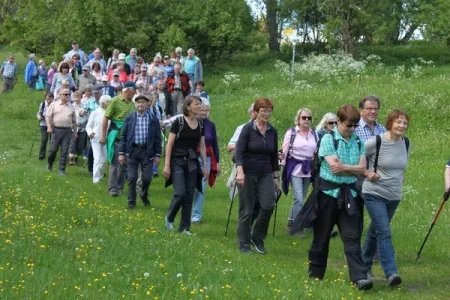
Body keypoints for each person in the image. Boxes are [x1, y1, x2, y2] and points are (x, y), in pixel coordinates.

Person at [300, 104, 372, 290]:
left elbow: (362, 169)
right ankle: (315, 275)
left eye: (355, 126)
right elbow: (334, 167)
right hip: (327, 195)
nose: (352, 129)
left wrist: (348, 168)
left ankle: (359, 278)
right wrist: (354, 169)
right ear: (339, 122)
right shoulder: (328, 140)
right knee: (321, 236)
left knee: (352, 236)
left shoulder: (358, 141)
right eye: (348, 125)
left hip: (350, 195)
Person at [362, 109, 411, 287]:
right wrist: (366, 172)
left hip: (394, 195)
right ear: (390, 123)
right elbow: (358, 154)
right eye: (398, 122)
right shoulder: (376, 141)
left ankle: (363, 265)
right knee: (384, 231)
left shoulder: (406, 143)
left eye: (404, 123)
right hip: (374, 192)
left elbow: (402, 166)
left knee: (375, 231)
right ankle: (391, 272)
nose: (401, 126)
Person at [235, 98, 279, 254]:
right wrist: (240, 171)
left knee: (268, 205)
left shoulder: (272, 131)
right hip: (247, 172)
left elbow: (274, 155)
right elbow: (238, 152)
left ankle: (257, 237)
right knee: (246, 209)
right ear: (256, 112)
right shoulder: (247, 129)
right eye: (263, 111)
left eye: (269, 111)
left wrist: (275, 177)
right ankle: (243, 244)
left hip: (266, 172)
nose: (266, 114)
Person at [163, 95, 207, 235]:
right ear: (188, 106)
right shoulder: (179, 122)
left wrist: (205, 165)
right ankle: (169, 218)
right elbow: (169, 144)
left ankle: (185, 228)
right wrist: (167, 165)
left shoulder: (201, 123)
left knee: (189, 195)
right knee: (180, 193)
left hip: (193, 162)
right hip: (178, 161)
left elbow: (202, 145)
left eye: (200, 104)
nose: (199, 106)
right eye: (196, 104)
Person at [118, 95, 162, 209]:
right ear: (135, 104)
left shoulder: (153, 119)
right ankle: (131, 202)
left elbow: (158, 138)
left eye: (143, 102)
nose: (140, 104)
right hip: (133, 151)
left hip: (147, 151)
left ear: (148, 104)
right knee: (132, 177)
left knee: (147, 178)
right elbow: (124, 136)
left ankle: (143, 194)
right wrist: (121, 153)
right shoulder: (130, 118)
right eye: (138, 102)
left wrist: (157, 155)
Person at [280, 108, 317, 237]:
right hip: (295, 168)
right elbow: (284, 151)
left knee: (301, 198)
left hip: (308, 169)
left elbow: (315, 152)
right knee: (299, 199)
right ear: (298, 119)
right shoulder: (292, 133)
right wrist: (280, 167)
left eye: (309, 118)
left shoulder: (314, 134)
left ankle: (291, 221)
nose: (306, 120)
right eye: (304, 118)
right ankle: (297, 226)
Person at [101, 81, 136, 196]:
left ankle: (120, 186)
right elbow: (106, 118)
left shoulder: (132, 104)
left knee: (124, 163)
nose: (135, 92)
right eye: (134, 90)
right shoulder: (115, 101)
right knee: (115, 162)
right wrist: (103, 135)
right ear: (127, 90)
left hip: (128, 137)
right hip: (116, 135)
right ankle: (112, 188)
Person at [192, 102, 220, 223]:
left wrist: (217, 162)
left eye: (206, 110)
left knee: (201, 188)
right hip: (192, 157)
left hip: (207, 158)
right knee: (191, 187)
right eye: (202, 110)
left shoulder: (211, 125)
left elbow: (214, 144)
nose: (204, 112)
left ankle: (196, 216)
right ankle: (186, 212)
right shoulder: (191, 123)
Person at [45, 88, 77, 176]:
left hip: (67, 131)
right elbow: (48, 116)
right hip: (56, 130)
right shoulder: (54, 104)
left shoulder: (71, 106)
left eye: (69, 94)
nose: (67, 96)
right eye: (65, 94)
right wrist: (48, 127)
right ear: (60, 95)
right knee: (53, 149)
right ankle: (50, 164)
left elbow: (74, 121)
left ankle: (61, 170)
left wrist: (75, 132)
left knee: (64, 151)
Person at [86, 95, 112, 184]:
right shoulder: (95, 113)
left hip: (105, 140)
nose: (110, 104)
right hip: (95, 139)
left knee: (104, 160)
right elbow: (88, 126)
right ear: (103, 103)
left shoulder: (110, 114)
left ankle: (100, 176)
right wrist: (90, 132)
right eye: (109, 102)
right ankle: (95, 180)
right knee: (97, 159)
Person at [68, 92, 88, 165]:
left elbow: (86, 116)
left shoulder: (84, 106)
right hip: (73, 128)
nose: (77, 98)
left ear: (81, 97)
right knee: (73, 143)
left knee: (80, 144)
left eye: (78, 97)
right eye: (75, 97)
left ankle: (76, 157)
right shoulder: (71, 106)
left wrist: (84, 116)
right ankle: (71, 158)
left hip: (82, 128)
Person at [36, 92, 54, 160]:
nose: (48, 99)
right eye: (47, 98)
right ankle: (41, 154)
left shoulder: (54, 105)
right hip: (43, 124)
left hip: (53, 124)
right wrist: (39, 117)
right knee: (44, 139)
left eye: (50, 98)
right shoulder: (43, 104)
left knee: (52, 140)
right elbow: (38, 113)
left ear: (52, 98)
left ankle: (51, 154)